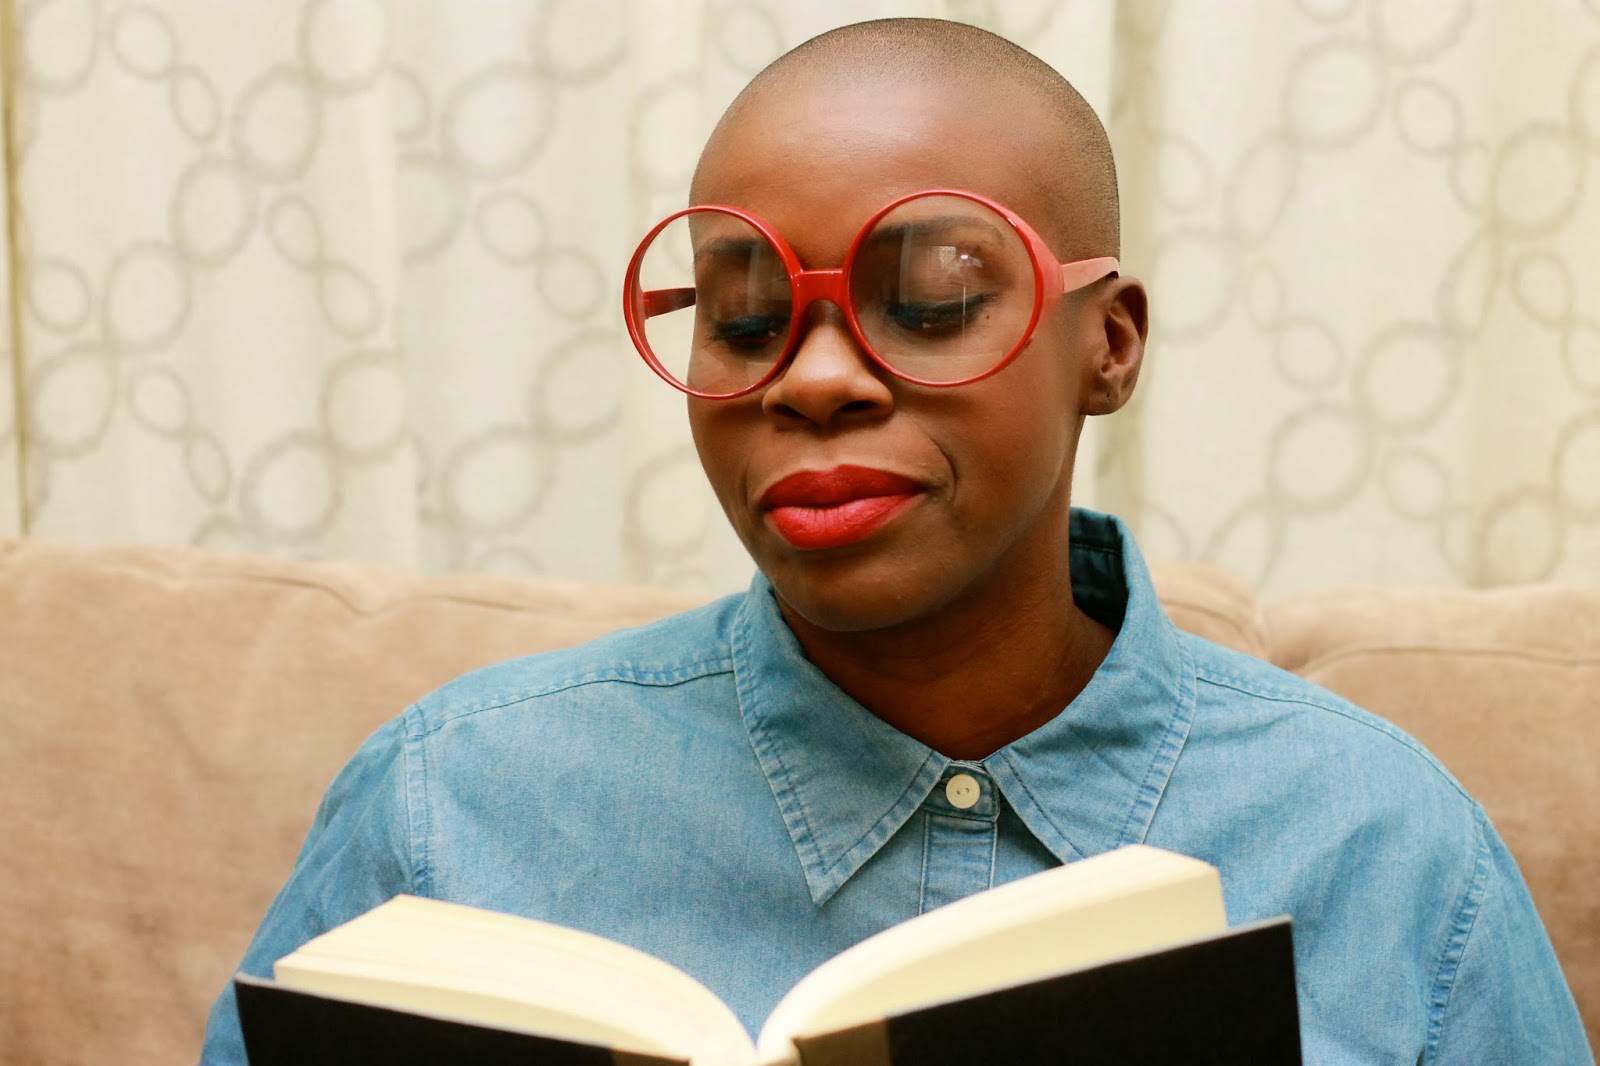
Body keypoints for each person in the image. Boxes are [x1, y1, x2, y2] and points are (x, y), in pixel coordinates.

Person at [200, 17, 1591, 1064]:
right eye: (744, 317)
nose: (811, 379)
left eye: (930, 301)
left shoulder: (1384, 847)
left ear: (1109, 344)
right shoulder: (449, 804)